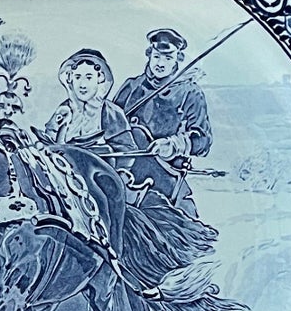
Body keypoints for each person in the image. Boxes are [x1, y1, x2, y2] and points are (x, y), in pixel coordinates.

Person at [113, 28, 211, 218]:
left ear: (178, 59)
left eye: (168, 58)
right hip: (122, 170)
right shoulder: (131, 86)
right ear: (149, 54)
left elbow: (203, 140)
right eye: (157, 56)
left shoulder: (190, 92)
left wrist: (174, 145)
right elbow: (109, 123)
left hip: (164, 175)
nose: (160, 63)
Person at [41, 48, 135, 157]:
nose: (82, 85)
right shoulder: (63, 110)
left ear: (100, 78)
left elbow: (127, 152)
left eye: (89, 77)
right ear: (70, 79)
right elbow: (48, 143)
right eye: (78, 77)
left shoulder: (112, 112)